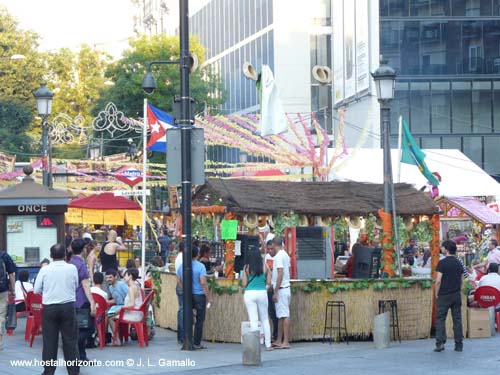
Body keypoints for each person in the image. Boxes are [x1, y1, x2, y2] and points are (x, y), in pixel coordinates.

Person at [34, 243, 79, 374]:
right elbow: (76, 285)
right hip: (68, 306)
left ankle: (49, 370)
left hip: (50, 308)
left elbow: (37, 289)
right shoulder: (72, 268)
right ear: (65, 254)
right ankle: (73, 370)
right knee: (70, 340)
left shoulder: (45, 269)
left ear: (51, 255)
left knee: (49, 340)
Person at [176, 246, 212, 350]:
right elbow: (203, 283)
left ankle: (185, 338)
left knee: (187, 316)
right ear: (197, 254)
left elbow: (178, 281)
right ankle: (197, 342)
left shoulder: (182, 266)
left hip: (188, 295)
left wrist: (186, 289)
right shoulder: (201, 266)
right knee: (200, 320)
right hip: (199, 295)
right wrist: (209, 297)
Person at [434, 240, 464, 353]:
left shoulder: (442, 263)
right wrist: (458, 290)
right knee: (457, 319)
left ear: (446, 249)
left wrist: (437, 293)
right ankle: (459, 344)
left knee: (441, 318)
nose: (441, 249)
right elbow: (462, 279)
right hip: (456, 294)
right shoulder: (459, 262)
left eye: (442, 247)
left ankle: (440, 343)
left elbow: (438, 281)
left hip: (444, 295)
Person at [69, 238, 96, 363]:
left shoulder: (70, 262)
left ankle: (82, 355)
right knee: (89, 328)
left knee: (78, 327)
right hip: (81, 299)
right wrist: (92, 302)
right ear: (83, 249)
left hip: (71, 299)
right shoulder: (80, 264)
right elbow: (85, 284)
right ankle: (77, 351)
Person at [242, 246, 272, 351]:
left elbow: (244, 284)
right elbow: (269, 282)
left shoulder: (246, 267)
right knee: (264, 319)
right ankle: (268, 345)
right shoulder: (265, 266)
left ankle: (255, 346)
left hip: (250, 294)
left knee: (253, 320)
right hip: (262, 293)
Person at [109, 268, 143, 345]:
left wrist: (120, 309)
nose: (124, 277)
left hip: (133, 314)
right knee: (113, 314)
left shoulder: (131, 288)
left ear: (130, 276)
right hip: (137, 312)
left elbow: (131, 304)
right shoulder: (136, 286)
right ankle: (118, 339)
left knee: (110, 317)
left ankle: (117, 340)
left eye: (125, 275)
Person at [271, 236, 291, 349]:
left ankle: (286, 341)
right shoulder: (285, 255)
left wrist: (276, 291)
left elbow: (280, 273)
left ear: (274, 244)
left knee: (284, 315)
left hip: (282, 289)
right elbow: (288, 270)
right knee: (281, 315)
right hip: (285, 287)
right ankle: (279, 340)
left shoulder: (278, 257)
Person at [0, 250, 16, 350]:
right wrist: (13, 290)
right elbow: (11, 274)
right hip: (2, 289)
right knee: (1, 315)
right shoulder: (4, 255)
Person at [265, 239, 278, 342]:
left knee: (277, 313)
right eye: (268, 249)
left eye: (271, 249)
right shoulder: (267, 257)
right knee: (272, 313)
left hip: (276, 288)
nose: (270, 251)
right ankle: (274, 334)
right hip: (269, 288)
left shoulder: (279, 257)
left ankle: (277, 335)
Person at [175, 241, 184, 344]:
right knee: (182, 310)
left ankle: (181, 335)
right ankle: (182, 335)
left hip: (180, 285)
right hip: (182, 285)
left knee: (182, 309)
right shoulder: (182, 258)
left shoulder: (179, 257)